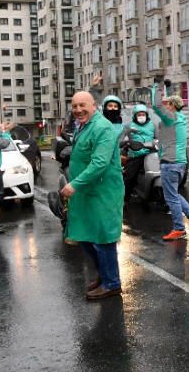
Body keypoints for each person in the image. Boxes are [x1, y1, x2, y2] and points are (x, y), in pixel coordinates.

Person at [61, 91, 125, 301]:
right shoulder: (84, 125)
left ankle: (112, 283)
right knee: (85, 235)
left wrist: (75, 184)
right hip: (87, 191)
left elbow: (100, 163)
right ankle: (104, 274)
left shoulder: (102, 127)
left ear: (94, 105)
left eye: (83, 105)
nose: (78, 110)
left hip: (103, 191)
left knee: (103, 238)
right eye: (75, 106)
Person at [152, 82, 189, 241]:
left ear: (173, 106)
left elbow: (155, 105)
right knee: (173, 194)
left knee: (170, 198)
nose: (165, 106)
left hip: (170, 163)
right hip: (180, 163)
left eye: (168, 104)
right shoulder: (180, 118)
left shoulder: (171, 118)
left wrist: (157, 85)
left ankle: (179, 228)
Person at [122, 104, 156, 200]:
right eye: (139, 115)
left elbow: (157, 138)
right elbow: (124, 138)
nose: (141, 117)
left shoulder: (152, 125)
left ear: (146, 115)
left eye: (143, 114)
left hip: (151, 154)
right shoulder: (130, 126)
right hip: (136, 155)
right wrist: (127, 143)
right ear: (135, 116)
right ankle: (125, 197)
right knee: (130, 176)